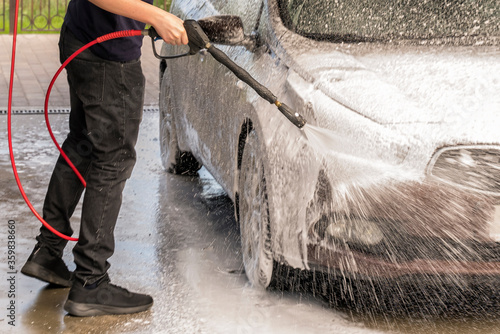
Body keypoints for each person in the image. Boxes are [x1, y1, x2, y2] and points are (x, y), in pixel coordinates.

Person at [20, 0, 187, 317]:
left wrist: (145, 16)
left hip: (83, 37)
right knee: (114, 159)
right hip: (108, 56)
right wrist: (156, 16)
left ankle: (48, 251)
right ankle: (90, 282)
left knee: (83, 143)